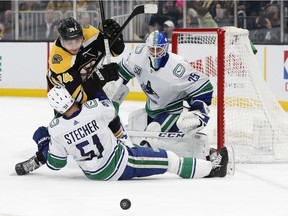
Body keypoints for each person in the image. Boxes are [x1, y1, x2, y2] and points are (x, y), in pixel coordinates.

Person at [15, 85, 231, 180]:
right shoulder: (93, 110)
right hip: (118, 164)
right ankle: (213, 169)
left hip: (96, 170)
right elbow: (110, 111)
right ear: (71, 98)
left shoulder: (56, 129)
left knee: (143, 148)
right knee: (169, 160)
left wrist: (43, 140)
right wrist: (97, 92)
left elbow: (56, 164)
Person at [46, 17, 128, 139]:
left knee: (108, 111)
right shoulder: (59, 61)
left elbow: (115, 51)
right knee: (70, 128)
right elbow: (81, 96)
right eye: (69, 42)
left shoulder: (90, 34)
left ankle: (121, 139)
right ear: (61, 40)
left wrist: (116, 36)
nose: (74, 46)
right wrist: (102, 76)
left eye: (77, 40)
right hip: (66, 93)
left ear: (82, 36)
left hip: (88, 81)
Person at [118, 30, 213, 135]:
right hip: (153, 109)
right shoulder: (138, 56)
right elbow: (121, 73)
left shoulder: (178, 68)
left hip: (173, 112)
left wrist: (198, 111)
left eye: (158, 49)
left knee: (153, 131)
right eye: (151, 49)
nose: (154, 53)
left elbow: (204, 87)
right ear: (146, 47)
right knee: (134, 121)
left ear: (165, 48)